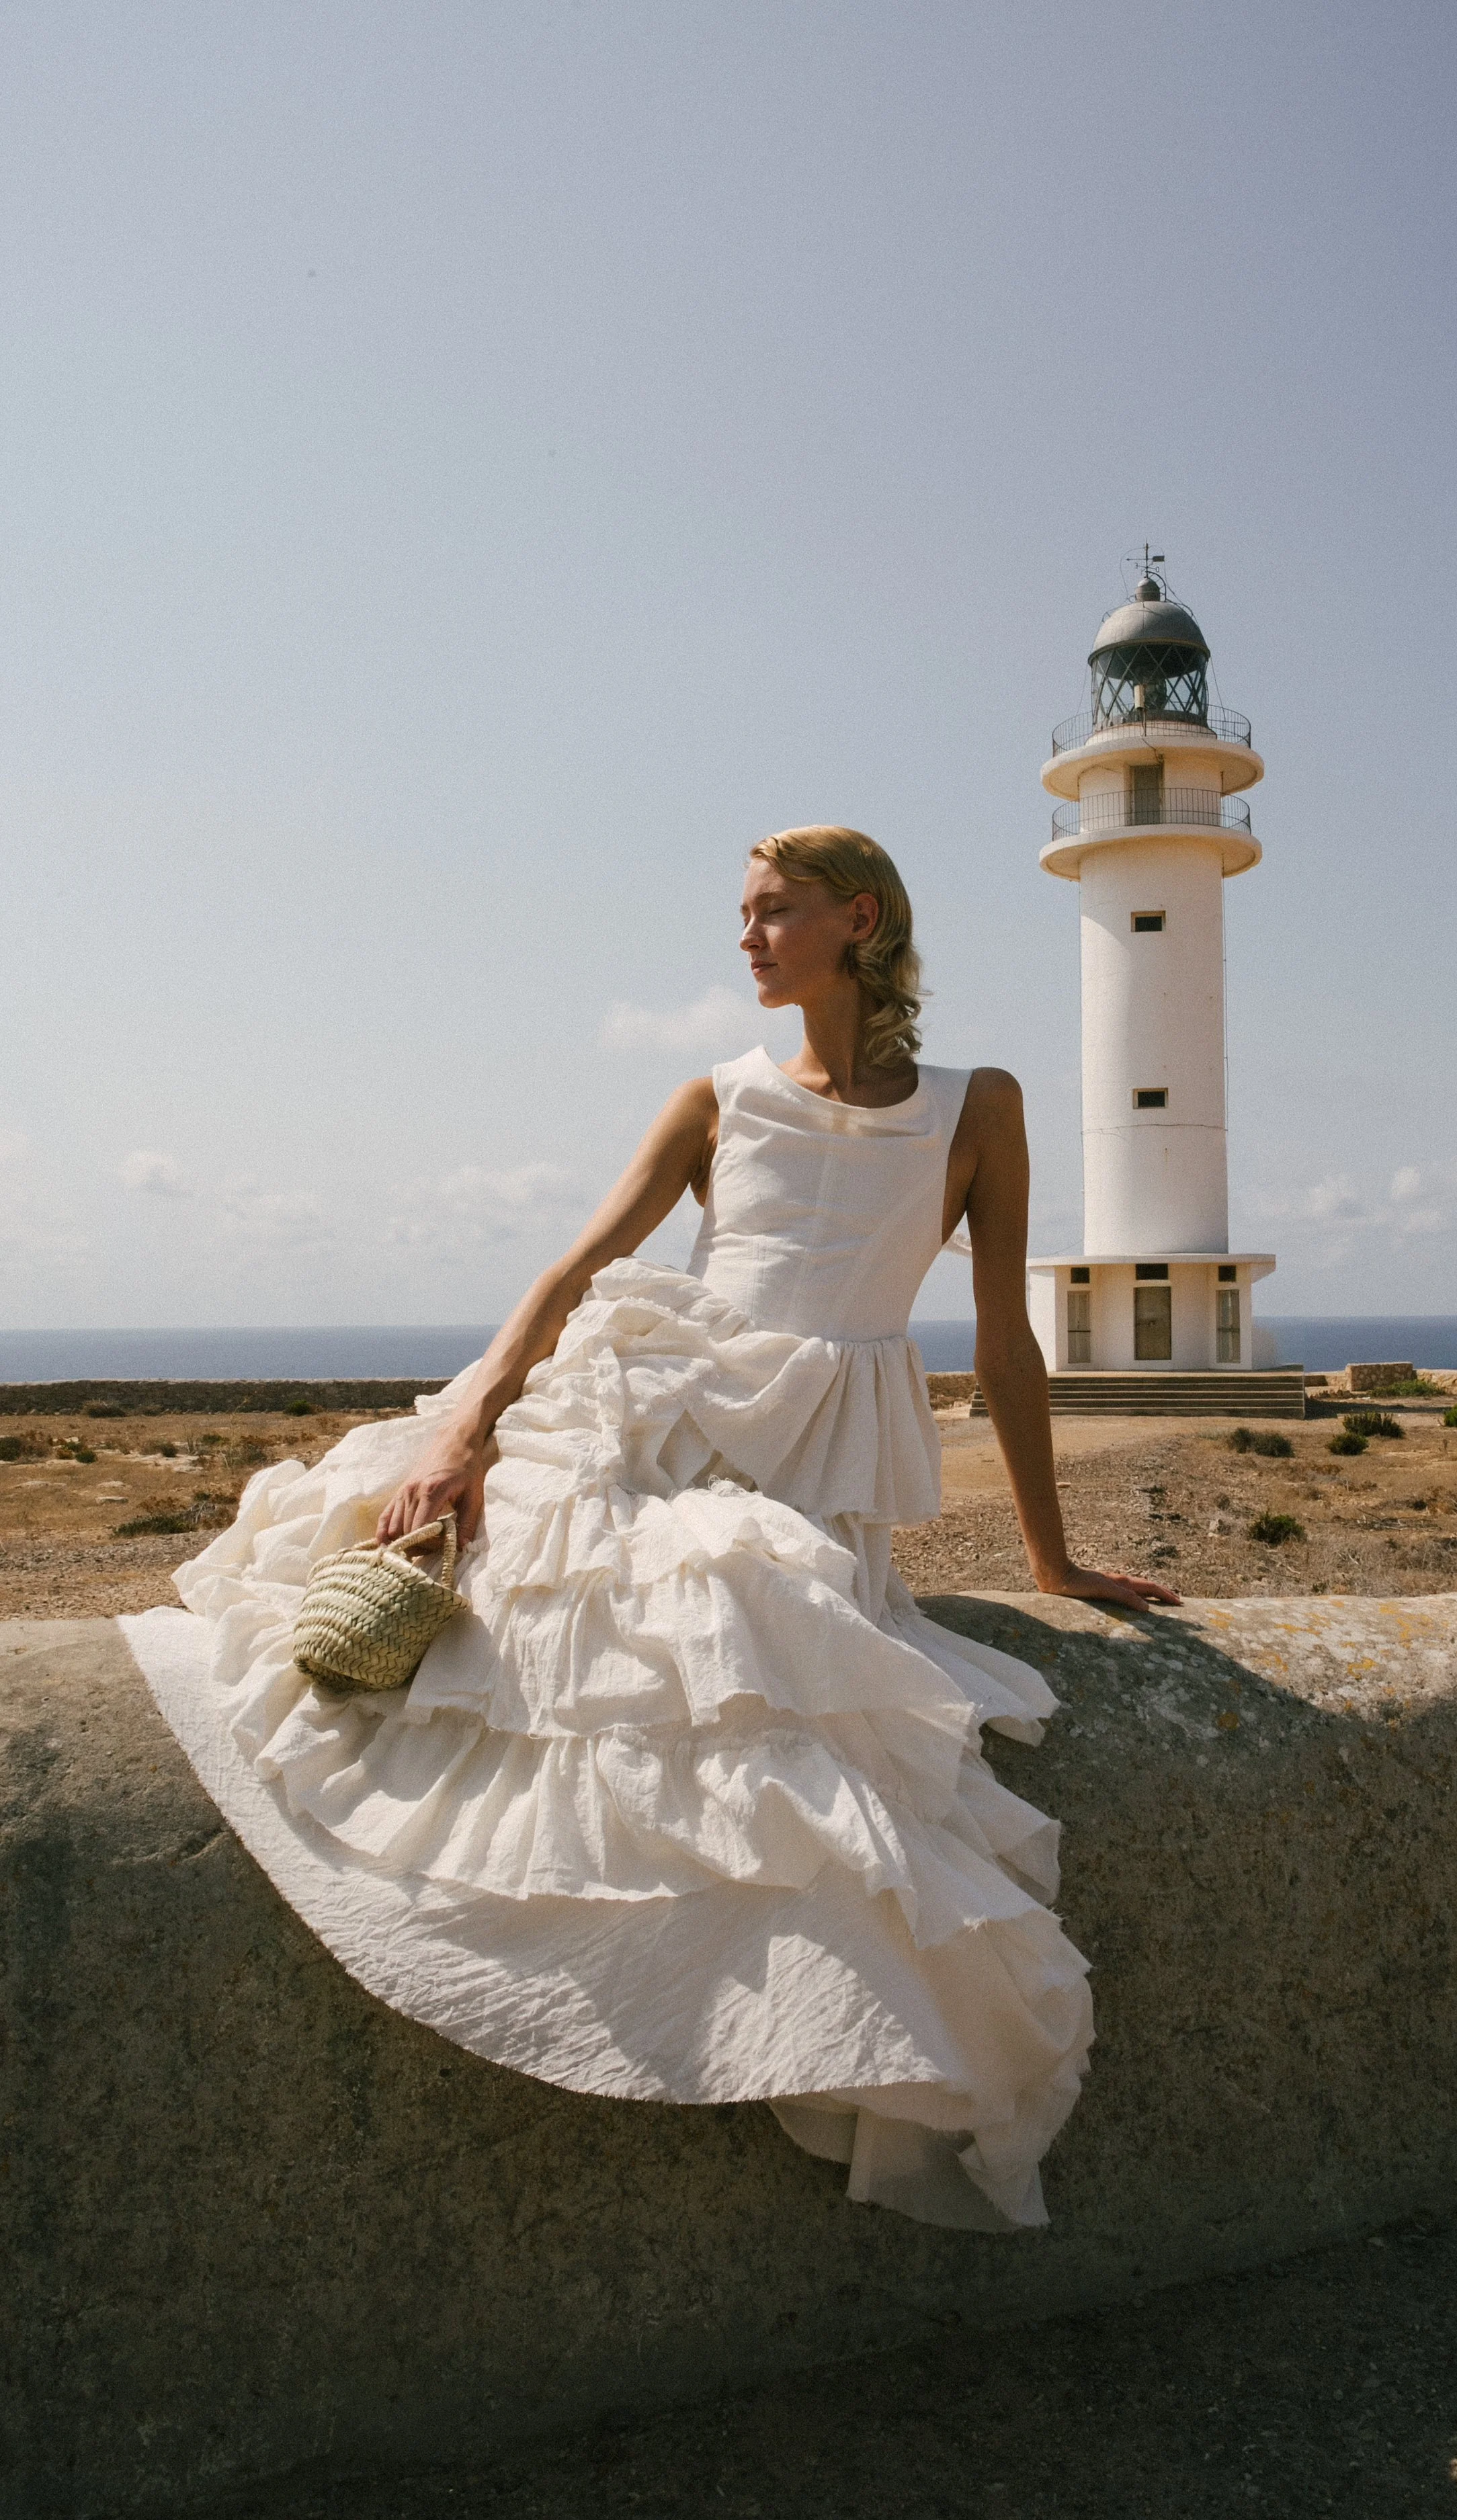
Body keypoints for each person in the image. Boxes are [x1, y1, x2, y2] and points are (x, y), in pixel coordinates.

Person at [124, 827, 1178, 2232]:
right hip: (652, 1400)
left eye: (774, 912)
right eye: (741, 915)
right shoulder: (717, 1096)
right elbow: (570, 1269)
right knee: (582, 1611)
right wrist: (462, 1427)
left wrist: (1050, 1565)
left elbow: (1002, 1347)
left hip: (811, 1458)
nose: (745, 938)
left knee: (755, 1635)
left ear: (857, 920)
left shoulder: (976, 1104)